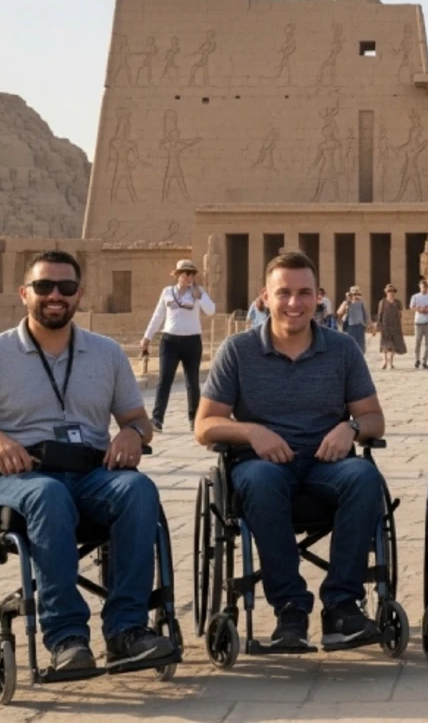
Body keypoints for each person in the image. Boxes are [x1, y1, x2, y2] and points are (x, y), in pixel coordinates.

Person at [0, 250, 172, 671]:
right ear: (23, 293)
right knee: (49, 495)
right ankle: (66, 637)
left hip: (92, 472)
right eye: (44, 286)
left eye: (66, 288)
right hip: (24, 475)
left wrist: (131, 433)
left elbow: (139, 420)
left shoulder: (106, 354)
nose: (55, 296)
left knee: (139, 489)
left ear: (79, 294)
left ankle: (126, 630)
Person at [196, 251, 388, 648]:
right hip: (263, 464)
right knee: (262, 481)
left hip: (326, 464)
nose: (294, 303)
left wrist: (349, 429)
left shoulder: (341, 350)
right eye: (284, 293)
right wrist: (252, 432)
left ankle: (341, 606)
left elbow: (373, 419)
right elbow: (205, 425)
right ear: (264, 297)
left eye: (304, 293)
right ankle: (290, 609)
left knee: (365, 477)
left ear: (319, 296)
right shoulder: (238, 350)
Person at [141, 259, 216, 432]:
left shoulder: (198, 292)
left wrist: (201, 296)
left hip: (192, 340)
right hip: (170, 341)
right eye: (186, 273)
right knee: (164, 379)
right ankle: (157, 419)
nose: (189, 277)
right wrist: (147, 337)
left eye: (192, 274)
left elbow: (211, 310)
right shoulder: (167, 292)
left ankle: (194, 419)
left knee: (192, 381)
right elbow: (158, 315)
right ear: (178, 275)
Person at [374, 284, 407, 370]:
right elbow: (380, 315)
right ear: (386, 292)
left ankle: (391, 362)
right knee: (385, 345)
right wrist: (378, 325)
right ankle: (385, 361)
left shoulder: (398, 302)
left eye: (392, 291)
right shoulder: (383, 302)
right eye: (389, 291)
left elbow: (400, 314)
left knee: (393, 345)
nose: (390, 293)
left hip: (396, 326)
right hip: (385, 326)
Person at [410, 279, 428, 369]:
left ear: (427, 288)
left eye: (425, 287)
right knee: (417, 342)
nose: (423, 289)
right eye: (422, 287)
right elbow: (412, 307)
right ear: (420, 287)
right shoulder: (415, 297)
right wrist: (420, 308)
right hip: (418, 322)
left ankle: (424, 360)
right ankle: (417, 359)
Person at [337, 286, 369, 353]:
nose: (356, 296)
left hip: (360, 326)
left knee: (361, 347)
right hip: (350, 327)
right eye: (354, 294)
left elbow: (366, 314)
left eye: (358, 294)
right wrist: (347, 302)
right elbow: (339, 312)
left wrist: (369, 325)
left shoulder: (361, 303)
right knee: (351, 346)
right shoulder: (347, 303)